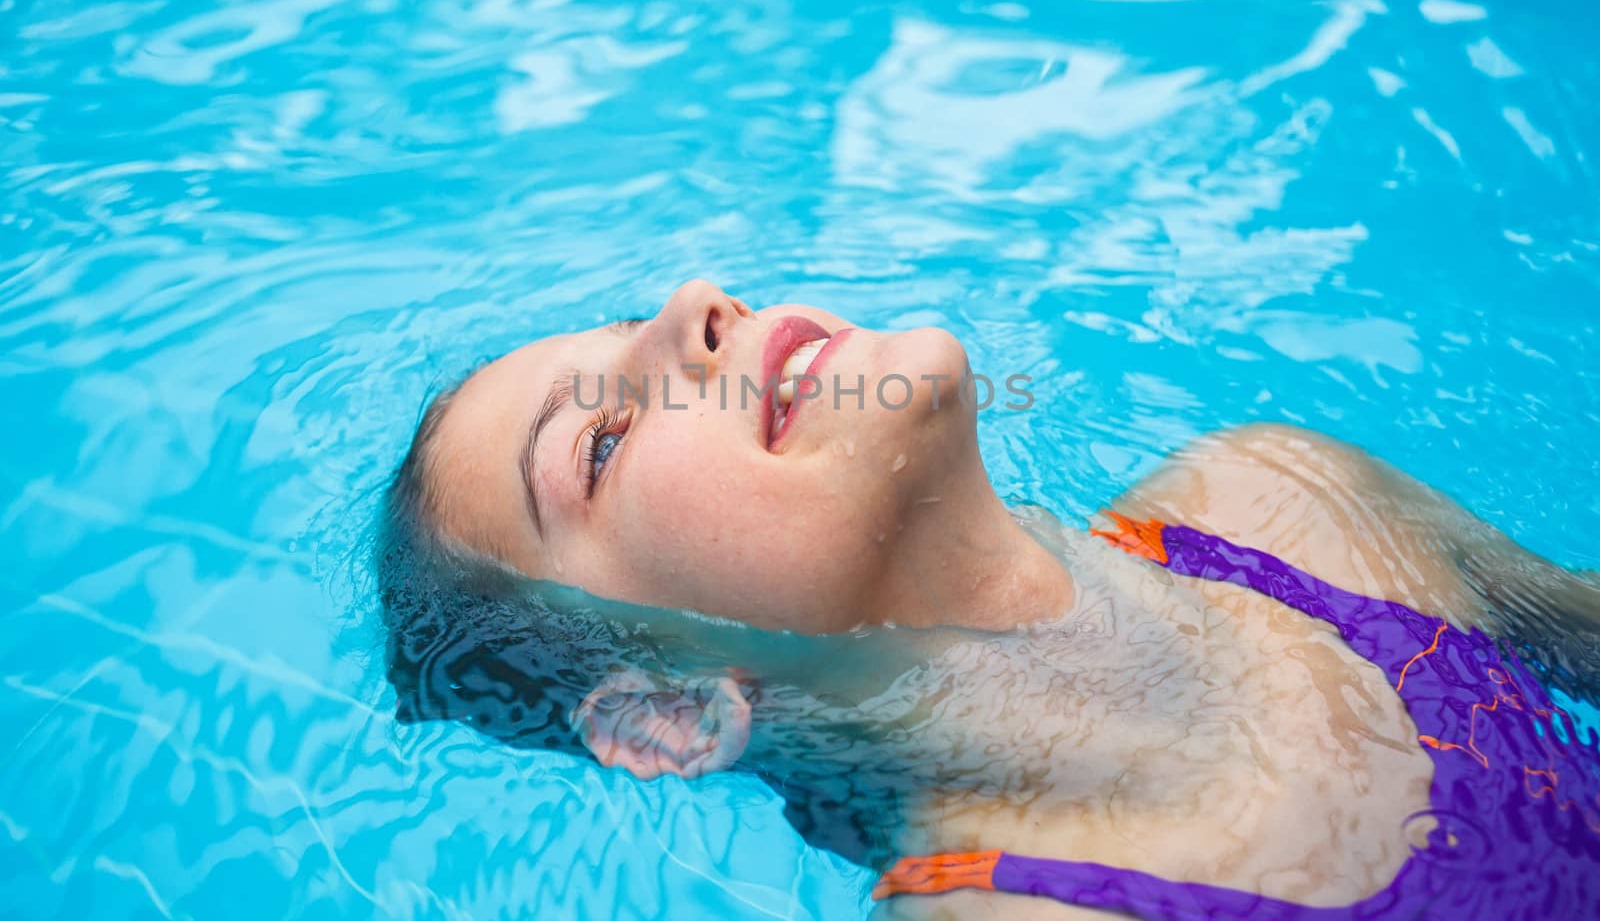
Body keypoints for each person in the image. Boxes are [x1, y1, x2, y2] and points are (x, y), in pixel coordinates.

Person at [376, 280, 1600, 919]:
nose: (698, 303)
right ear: (671, 714)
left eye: (631, 324)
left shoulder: (1292, 504)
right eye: (599, 439)